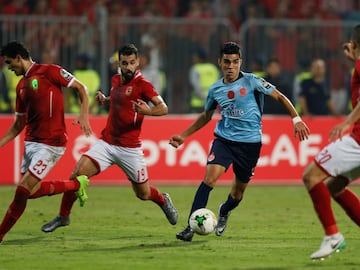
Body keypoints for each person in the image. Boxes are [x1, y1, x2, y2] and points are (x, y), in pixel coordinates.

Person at [169, 41, 310, 242]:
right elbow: (206, 116)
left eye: (235, 62)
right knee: (209, 179)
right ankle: (190, 227)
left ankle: (224, 211)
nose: (231, 66)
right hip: (224, 140)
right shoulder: (215, 89)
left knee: (237, 194)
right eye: (227, 62)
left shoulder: (252, 81)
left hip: (250, 145)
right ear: (220, 62)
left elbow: (280, 97)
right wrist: (183, 135)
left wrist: (296, 119)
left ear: (240, 62)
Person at [41, 43, 178, 233]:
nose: (128, 67)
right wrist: (106, 100)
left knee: (143, 193)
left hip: (129, 149)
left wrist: (148, 111)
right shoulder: (115, 80)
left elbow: (163, 108)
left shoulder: (143, 85)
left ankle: (163, 200)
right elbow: (119, 99)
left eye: (132, 63)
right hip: (107, 143)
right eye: (124, 63)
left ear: (137, 62)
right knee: (77, 174)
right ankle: (63, 217)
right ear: (119, 64)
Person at [0, 41, 92, 243]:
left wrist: (84, 115)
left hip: (52, 143)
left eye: (9, 62)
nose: (9, 67)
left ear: (18, 57)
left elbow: (81, 88)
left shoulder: (50, 71)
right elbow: (18, 125)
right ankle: (76, 184)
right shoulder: (21, 86)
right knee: (30, 192)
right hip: (31, 143)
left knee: (22, 190)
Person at [302, 24, 360, 260]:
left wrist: (347, 122)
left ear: (353, 44)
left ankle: (332, 236)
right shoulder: (357, 63)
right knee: (334, 186)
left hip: (358, 141)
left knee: (311, 176)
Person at [189, 47, 219, 113]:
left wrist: (204, 98)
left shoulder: (195, 69)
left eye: (194, 56)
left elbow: (195, 85)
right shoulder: (213, 68)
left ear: (198, 57)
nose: (193, 58)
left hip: (198, 103)